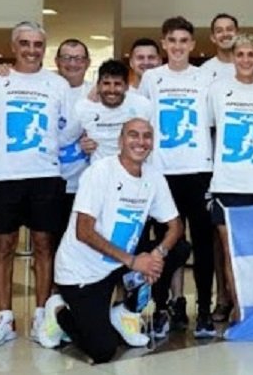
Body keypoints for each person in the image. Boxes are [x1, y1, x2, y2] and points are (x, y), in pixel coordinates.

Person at [38, 118, 184, 364]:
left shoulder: (154, 177)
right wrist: (134, 262)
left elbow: (176, 226)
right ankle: (58, 311)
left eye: (147, 136)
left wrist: (156, 255)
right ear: (120, 141)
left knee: (178, 249)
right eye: (133, 135)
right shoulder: (100, 172)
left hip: (117, 265)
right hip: (81, 273)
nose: (140, 142)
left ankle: (124, 312)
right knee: (103, 349)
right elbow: (83, 231)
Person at [0, 21, 73, 348]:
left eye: (37, 44)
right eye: (25, 43)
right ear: (13, 46)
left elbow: (67, 129)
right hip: (5, 176)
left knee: (44, 245)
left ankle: (41, 316)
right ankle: (5, 318)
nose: (31, 50)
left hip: (45, 175)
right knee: (3, 246)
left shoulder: (57, 84)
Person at [137, 16, 217, 338]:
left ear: (192, 44)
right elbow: (139, 122)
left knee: (203, 245)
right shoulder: (151, 78)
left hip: (198, 172)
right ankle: (163, 307)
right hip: (162, 173)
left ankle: (205, 312)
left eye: (184, 41)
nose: (178, 46)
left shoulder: (206, 78)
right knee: (166, 245)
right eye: (172, 40)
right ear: (164, 43)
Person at [208, 33, 253, 324]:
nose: (246, 60)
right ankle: (240, 311)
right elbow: (209, 129)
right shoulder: (217, 90)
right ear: (233, 58)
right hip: (227, 183)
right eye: (240, 54)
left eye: (251, 55)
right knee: (230, 252)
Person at [75, 59, 153, 160]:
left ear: (126, 86)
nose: (112, 90)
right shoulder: (83, 108)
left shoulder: (143, 105)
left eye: (117, 84)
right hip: (99, 168)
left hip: (136, 167)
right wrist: (81, 143)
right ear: (98, 85)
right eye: (106, 83)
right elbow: (70, 138)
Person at [55, 39, 93, 239]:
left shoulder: (98, 93)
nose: (72, 63)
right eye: (67, 58)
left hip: (86, 186)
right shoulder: (46, 89)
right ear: (57, 61)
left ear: (87, 62)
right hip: (51, 182)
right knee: (49, 245)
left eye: (78, 58)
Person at [198, 13, 253, 83]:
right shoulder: (205, 70)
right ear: (213, 38)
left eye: (229, 29)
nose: (225, 34)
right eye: (219, 31)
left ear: (237, 34)